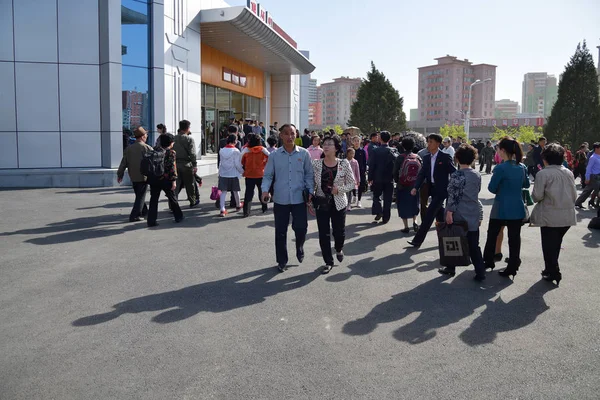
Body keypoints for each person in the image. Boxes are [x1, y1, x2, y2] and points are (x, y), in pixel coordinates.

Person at [261, 124, 314, 272]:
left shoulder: (304, 154)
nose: (290, 136)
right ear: (281, 136)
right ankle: (282, 260)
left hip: (299, 199)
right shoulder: (274, 155)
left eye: (292, 133)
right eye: (286, 133)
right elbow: (268, 175)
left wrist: (310, 190)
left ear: (296, 135)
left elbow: (309, 174)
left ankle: (300, 246)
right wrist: (265, 191)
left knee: (301, 228)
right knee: (280, 231)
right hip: (280, 199)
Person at [529, 143, 577, 286]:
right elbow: (574, 195)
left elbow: (537, 196)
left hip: (550, 215)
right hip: (567, 215)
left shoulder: (543, 173)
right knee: (555, 244)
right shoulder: (568, 172)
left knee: (548, 245)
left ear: (545, 158)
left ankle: (553, 270)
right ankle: (550, 269)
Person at [482, 137, 530, 278]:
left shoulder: (501, 168)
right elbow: (526, 185)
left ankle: (488, 261)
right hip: (517, 207)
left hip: (500, 207)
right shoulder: (522, 167)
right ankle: (513, 266)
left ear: (502, 150)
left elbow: (492, 188)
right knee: (514, 239)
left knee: (492, 235)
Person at [438, 144, 486, 281]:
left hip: (458, 213)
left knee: (452, 239)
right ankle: (480, 271)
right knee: (473, 244)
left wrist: (449, 213)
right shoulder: (476, 175)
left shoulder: (456, 175)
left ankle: (450, 267)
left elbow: (453, 196)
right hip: (473, 211)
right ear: (473, 159)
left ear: (457, 159)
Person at [311, 135, 356, 274]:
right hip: (322, 202)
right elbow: (312, 182)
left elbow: (352, 183)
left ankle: (338, 248)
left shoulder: (343, 163)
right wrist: (309, 197)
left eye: (330, 144)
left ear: (336, 148)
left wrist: (339, 190)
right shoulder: (316, 164)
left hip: (339, 203)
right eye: (325, 143)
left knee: (339, 232)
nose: (326, 146)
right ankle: (328, 261)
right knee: (323, 233)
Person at [408, 133, 457, 248]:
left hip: (442, 191)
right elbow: (422, 174)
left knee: (429, 215)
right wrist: (416, 187)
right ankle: (447, 239)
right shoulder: (426, 157)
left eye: (431, 142)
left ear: (438, 144)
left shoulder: (445, 157)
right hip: (432, 189)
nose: (428, 144)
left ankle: (417, 240)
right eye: (428, 142)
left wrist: (455, 186)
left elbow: (453, 172)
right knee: (441, 218)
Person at [147, 133, 184, 227]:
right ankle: (178, 216)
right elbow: (172, 168)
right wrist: (174, 181)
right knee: (172, 198)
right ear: (170, 142)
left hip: (155, 178)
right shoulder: (171, 152)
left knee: (153, 200)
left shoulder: (154, 150)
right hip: (166, 179)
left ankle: (151, 220)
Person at [117, 127, 152, 222]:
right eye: (145, 135)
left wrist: (120, 175)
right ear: (142, 136)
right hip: (143, 176)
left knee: (139, 195)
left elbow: (123, 163)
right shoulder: (147, 148)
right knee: (140, 196)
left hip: (133, 175)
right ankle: (134, 215)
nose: (146, 136)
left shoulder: (129, 148)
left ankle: (144, 211)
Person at [368, 131, 399, 224]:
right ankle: (386, 217)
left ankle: (378, 211)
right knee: (388, 198)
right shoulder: (394, 151)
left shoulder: (375, 150)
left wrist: (370, 177)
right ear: (389, 139)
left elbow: (371, 165)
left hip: (377, 177)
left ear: (380, 139)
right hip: (389, 178)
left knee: (376, 196)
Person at [393, 137, 421, 233]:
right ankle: (415, 221)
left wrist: (397, 181)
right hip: (415, 185)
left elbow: (395, 172)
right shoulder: (417, 157)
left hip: (403, 185)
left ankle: (406, 227)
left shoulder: (400, 157)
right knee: (414, 203)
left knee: (403, 205)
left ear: (403, 146)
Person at [241, 134, 270, 217]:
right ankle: (264, 208)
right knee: (262, 191)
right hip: (261, 174)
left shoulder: (246, 150)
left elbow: (240, 161)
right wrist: (265, 165)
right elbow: (270, 157)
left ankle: (246, 211)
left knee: (248, 193)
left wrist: (243, 170)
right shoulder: (263, 149)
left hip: (249, 174)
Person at [173, 120, 198, 208]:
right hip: (187, 164)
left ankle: (173, 203)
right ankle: (192, 201)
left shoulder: (174, 138)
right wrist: (194, 165)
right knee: (190, 185)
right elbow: (193, 153)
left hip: (175, 164)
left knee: (175, 185)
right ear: (187, 128)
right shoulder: (189, 139)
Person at [218, 134, 244, 217]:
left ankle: (222, 209)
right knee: (236, 191)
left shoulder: (221, 150)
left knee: (223, 192)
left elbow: (221, 162)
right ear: (235, 141)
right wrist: (242, 171)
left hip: (223, 173)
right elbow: (237, 164)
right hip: (233, 174)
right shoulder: (236, 151)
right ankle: (238, 205)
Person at [574, 142, 600, 209]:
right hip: (594, 177)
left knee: (587, 190)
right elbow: (588, 168)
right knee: (597, 191)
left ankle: (578, 202)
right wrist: (587, 178)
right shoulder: (593, 157)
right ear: (596, 148)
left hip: (597, 176)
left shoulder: (598, 156)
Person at [351, 136, 367, 208]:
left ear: (360, 142)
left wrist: (364, 171)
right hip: (351, 171)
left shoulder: (362, 151)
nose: (356, 142)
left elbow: (364, 162)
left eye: (358, 141)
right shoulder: (350, 151)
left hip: (361, 170)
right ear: (352, 142)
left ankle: (359, 200)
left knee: (360, 185)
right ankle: (354, 195)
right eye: (355, 141)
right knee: (352, 185)